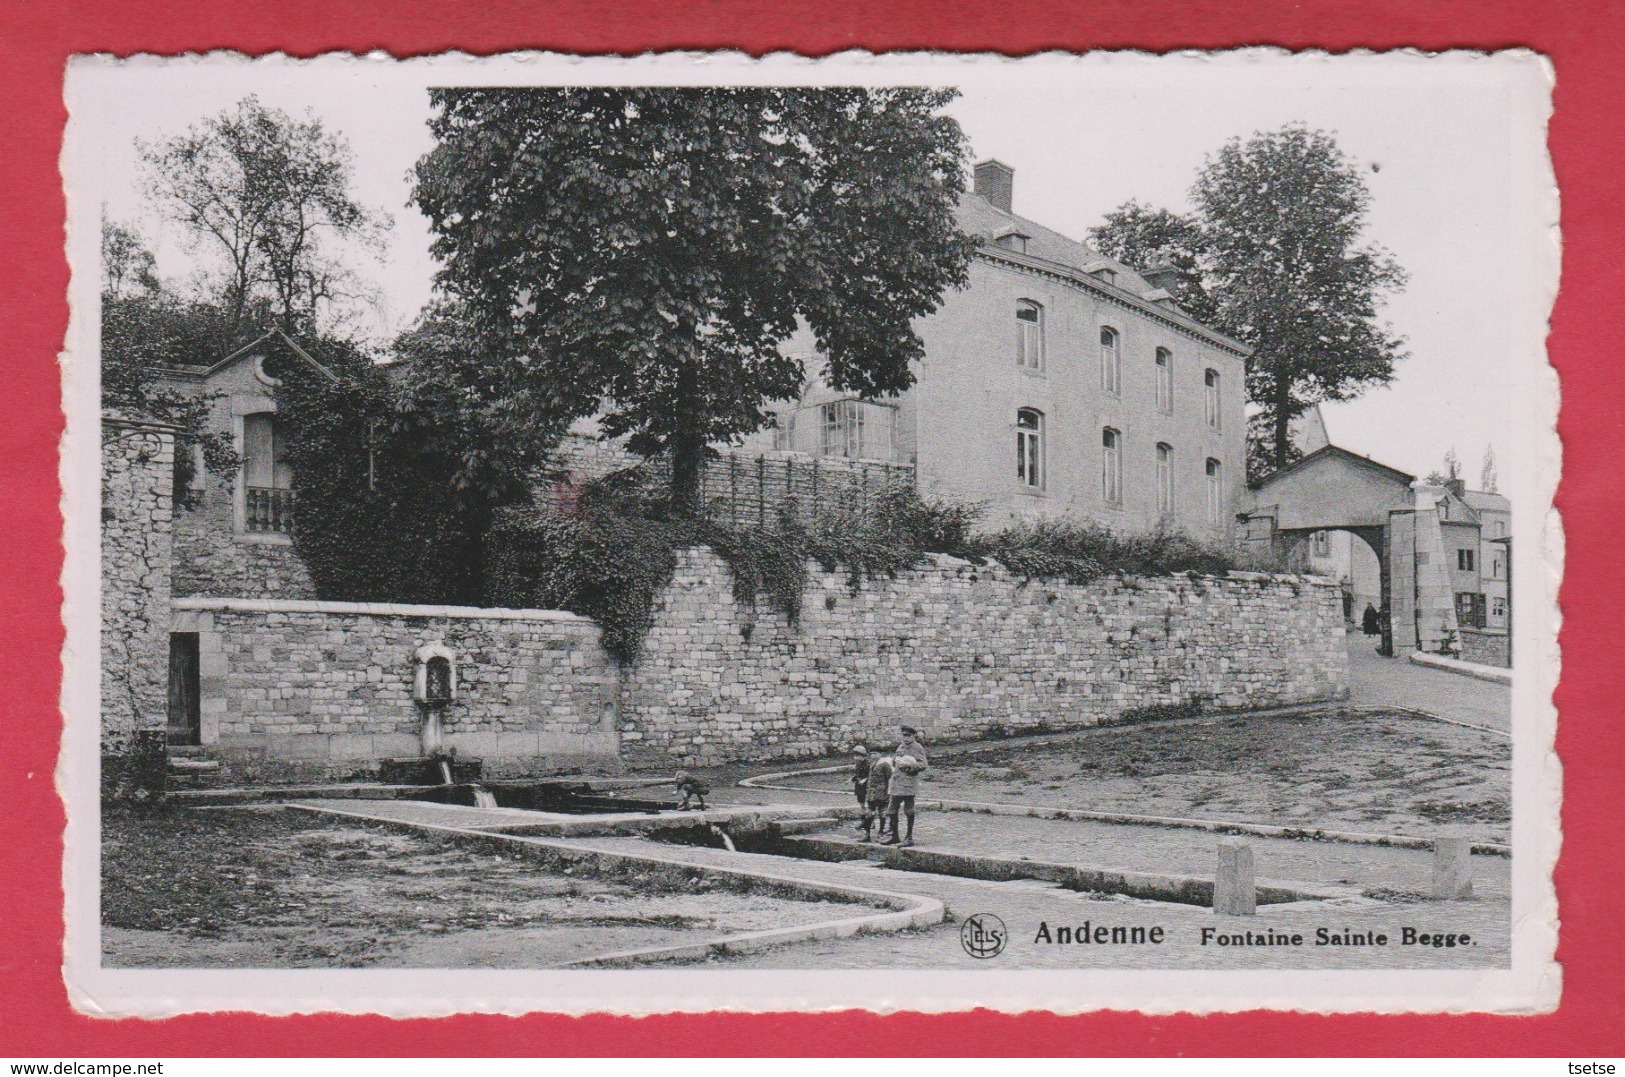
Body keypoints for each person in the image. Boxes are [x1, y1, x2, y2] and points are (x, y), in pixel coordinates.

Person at [883, 725, 929, 847]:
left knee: (909, 810)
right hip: (896, 782)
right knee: (891, 810)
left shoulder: (917, 747)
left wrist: (909, 766)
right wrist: (893, 762)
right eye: (904, 735)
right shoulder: (901, 746)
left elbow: (923, 764)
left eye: (908, 735)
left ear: (913, 736)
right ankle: (895, 836)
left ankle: (909, 837)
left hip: (908, 783)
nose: (906, 738)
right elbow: (896, 760)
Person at [862, 751, 894, 842]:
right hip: (871, 793)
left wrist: (888, 792)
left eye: (875, 753)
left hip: (881, 793)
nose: (873, 755)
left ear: (880, 754)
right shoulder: (872, 764)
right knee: (869, 813)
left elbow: (890, 779)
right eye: (871, 753)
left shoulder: (885, 765)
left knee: (882, 813)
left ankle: (881, 833)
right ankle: (867, 835)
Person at [851, 746, 871, 833]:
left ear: (863, 756)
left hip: (866, 786)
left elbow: (870, 775)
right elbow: (857, 774)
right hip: (859, 786)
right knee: (861, 804)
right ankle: (863, 821)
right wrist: (851, 779)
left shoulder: (868, 764)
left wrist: (865, 779)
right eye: (855, 755)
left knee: (869, 805)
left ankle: (870, 822)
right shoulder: (857, 764)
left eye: (858, 755)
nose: (855, 757)